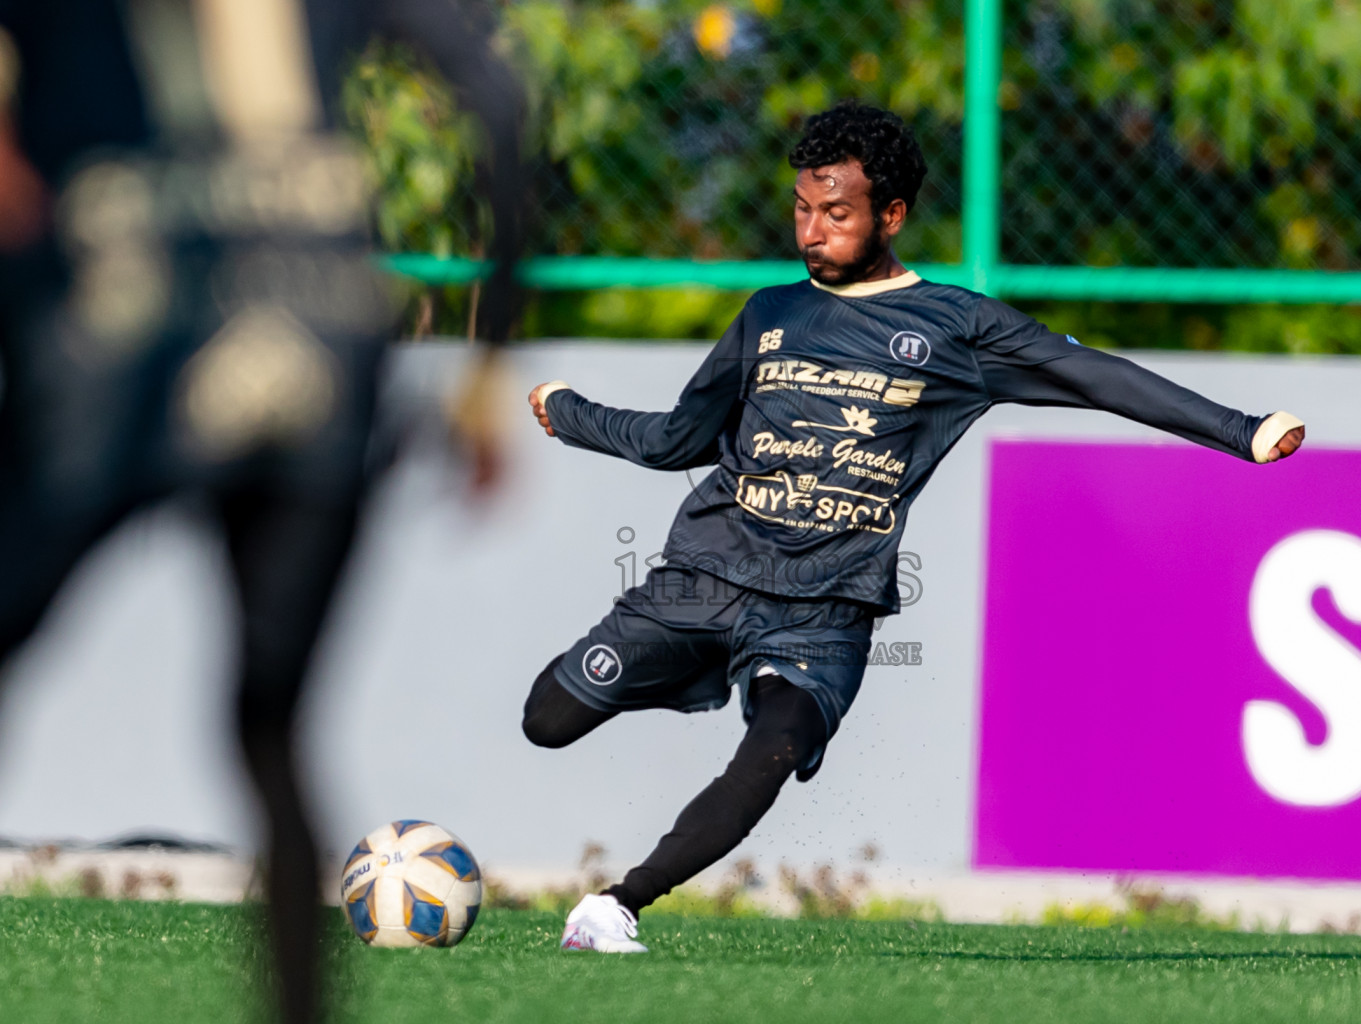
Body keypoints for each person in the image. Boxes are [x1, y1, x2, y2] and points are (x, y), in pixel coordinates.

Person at [523, 102, 1306, 954]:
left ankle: (616, 906)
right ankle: (695, 670)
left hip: (823, 610)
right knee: (548, 720)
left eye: (837, 212)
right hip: (701, 577)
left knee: (775, 746)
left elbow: (1093, 376)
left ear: (890, 216)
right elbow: (679, 438)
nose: (812, 230)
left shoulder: (957, 329)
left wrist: (1241, 429)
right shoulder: (766, 314)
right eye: (801, 208)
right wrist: (571, 414)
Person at [0, 1, 523, 1020]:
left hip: (126, 351)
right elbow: (497, 102)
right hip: (322, 355)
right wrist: (488, 365)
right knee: (272, 729)